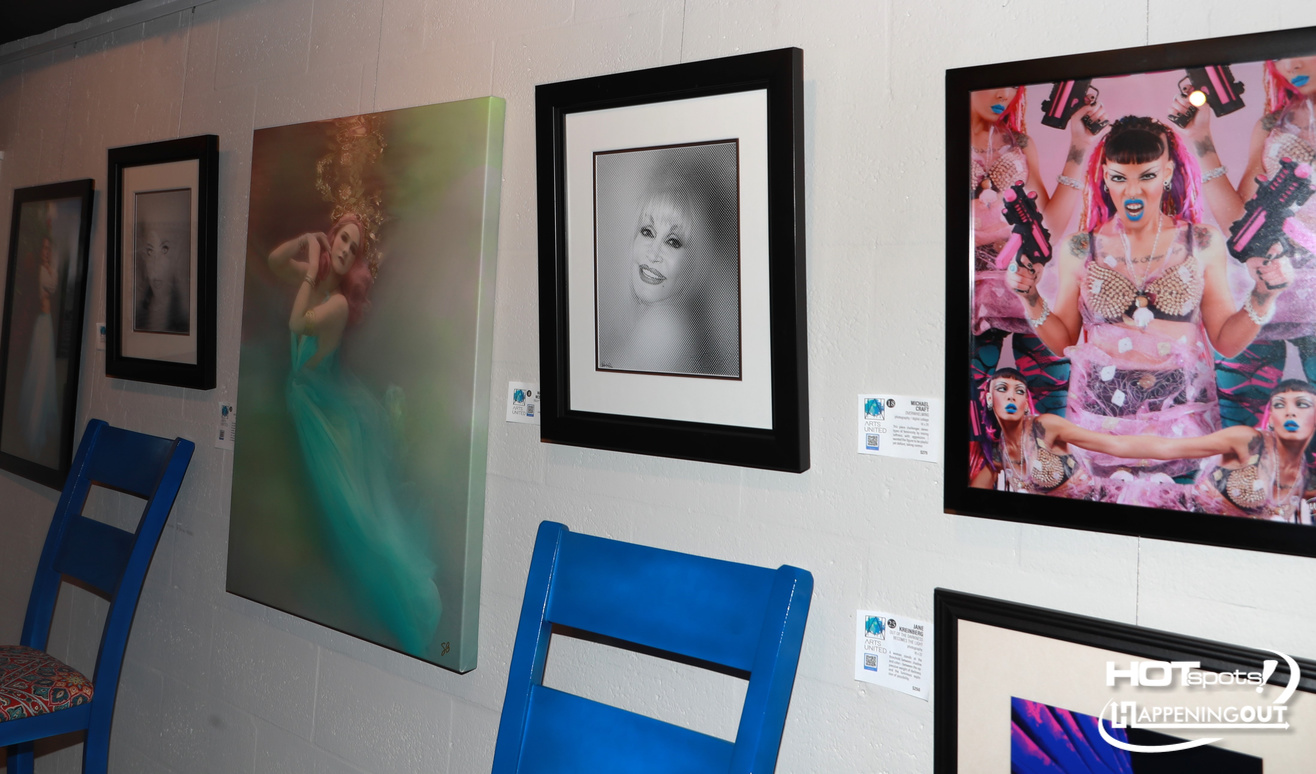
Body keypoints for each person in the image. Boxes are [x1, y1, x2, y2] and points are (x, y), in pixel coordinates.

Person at [1007, 115, 1293, 479]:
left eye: (1147, 176)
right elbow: (1064, 340)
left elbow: (1226, 341)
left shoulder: (1201, 241)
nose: (1132, 192)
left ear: (1168, 172)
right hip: (1100, 425)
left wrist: (1263, 297)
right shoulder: (1080, 248)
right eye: (1119, 178)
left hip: (1183, 426)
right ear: (1104, 177)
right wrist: (1031, 297)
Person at [267, 213, 441, 656]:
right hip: (311, 405)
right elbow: (272, 262)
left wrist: (310, 267)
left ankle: (410, 606)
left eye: (353, 246)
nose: (344, 248)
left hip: (327, 418)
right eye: (342, 238)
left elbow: (295, 324)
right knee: (343, 520)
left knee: (363, 522)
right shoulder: (322, 279)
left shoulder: (338, 304)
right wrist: (306, 238)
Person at [1175, 57, 1316, 429]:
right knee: (1238, 435)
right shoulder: (1273, 123)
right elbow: (1242, 224)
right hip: (1258, 298)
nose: (1293, 63)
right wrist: (1201, 140)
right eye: (1280, 55)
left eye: (1301, 48)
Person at [970, 85, 1106, 415]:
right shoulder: (942, 139)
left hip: (1026, 289)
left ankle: (1046, 466)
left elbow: (1050, 229)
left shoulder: (1019, 145)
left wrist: (1080, 148)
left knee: (1055, 404)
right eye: (995, 84)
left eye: (1012, 86)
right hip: (971, 294)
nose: (1004, 95)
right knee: (971, 409)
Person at [1065, 380, 1316, 523]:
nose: (1290, 412)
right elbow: (1166, 448)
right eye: (1280, 406)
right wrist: (1104, 443)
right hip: (1165, 513)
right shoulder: (1248, 441)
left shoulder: (1303, 470)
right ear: (1270, 419)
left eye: (1302, 405)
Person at [607, 170, 739, 377]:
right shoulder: (653, 322)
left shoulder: (665, 328)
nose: (654, 253)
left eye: (673, 241)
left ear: (695, 262)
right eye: (647, 231)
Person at [969, 368, 1107, 498]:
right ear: (989, 399)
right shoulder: (998, 454)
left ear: (1026, 404)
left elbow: (1113, 445)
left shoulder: (1044, 426)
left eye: (1019, 391)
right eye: (1002, 389)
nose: (1011, 397)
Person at [18, 236, 58, 456]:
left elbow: (53, 286)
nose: (46, 252)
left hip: (47, 322)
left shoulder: (49, 269)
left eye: (49, 249)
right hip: (40, 323)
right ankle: (34, 425)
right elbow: (49, 287)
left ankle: (42, 420)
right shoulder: (41, 271)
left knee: (46, 371)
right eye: (44, 248)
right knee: (38, 370)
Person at [135, 228, 188, 334]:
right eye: (150, 251)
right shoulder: (137, 315)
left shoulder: (185, 316)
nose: (155, 266)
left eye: (164, 250)